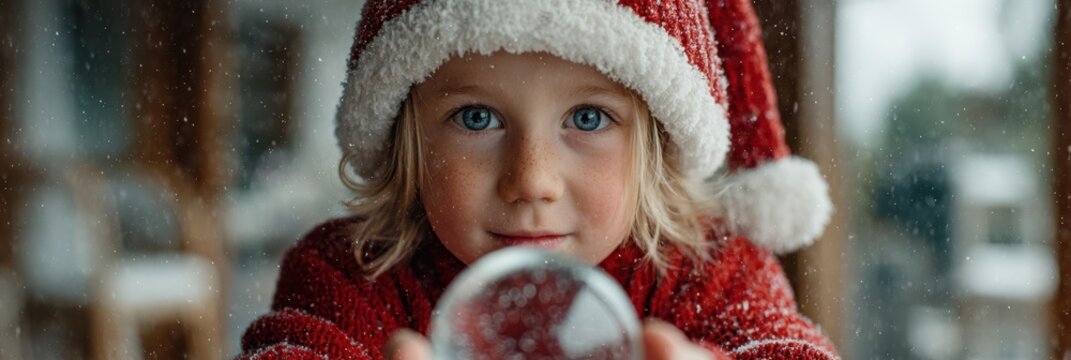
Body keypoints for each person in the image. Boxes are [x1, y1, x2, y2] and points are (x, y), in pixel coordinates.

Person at [238, 0, 838, 359]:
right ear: (407, 139)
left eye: (587, 118)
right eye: (478, 118)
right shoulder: (352, 274)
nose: (532, 181)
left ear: (656, 146)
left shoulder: (710, 270)